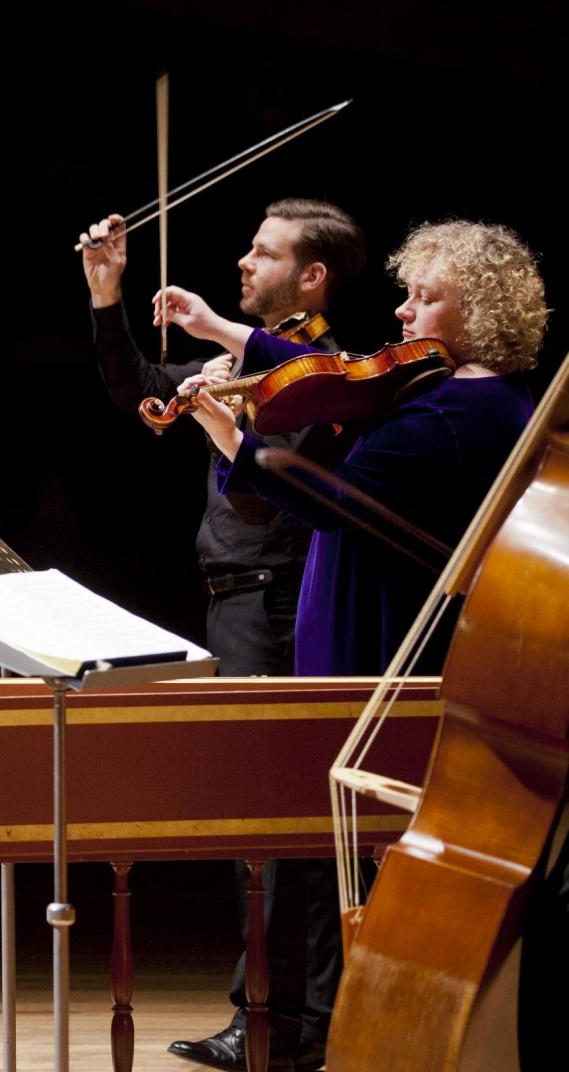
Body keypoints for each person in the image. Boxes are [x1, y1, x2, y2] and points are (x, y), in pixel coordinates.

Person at [155, 219, 547, 1070]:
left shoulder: (462, 408)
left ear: (477, 310)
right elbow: (334, 383)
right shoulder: (443, 391)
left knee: (357, 859)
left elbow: (332, 498)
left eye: (424, 296)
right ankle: (331, 1026)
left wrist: (226, 431)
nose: (401, 314)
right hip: (361, 620)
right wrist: (230, 373)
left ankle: (350, 1030)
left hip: (380, 634)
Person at [82, 199, 368, 1072]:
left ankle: (289, 1021)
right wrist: (105, 294)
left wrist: (223, 408)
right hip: (237, 598)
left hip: (276, 598)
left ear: (310, 276)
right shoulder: (247, 364)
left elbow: (259, 491)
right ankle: (282, 1018)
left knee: (286, 821)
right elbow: (134, 385)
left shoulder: (320, 370)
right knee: (272, 822)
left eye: (262, 252)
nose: (242, 263)